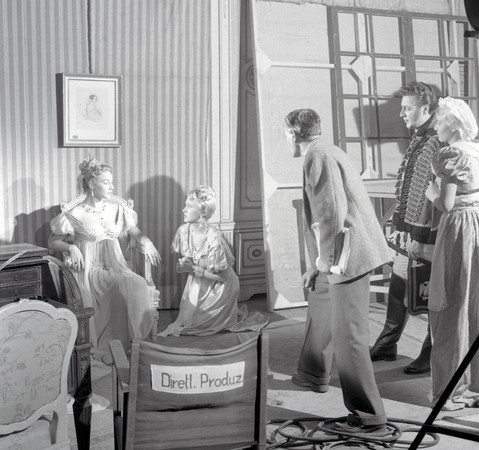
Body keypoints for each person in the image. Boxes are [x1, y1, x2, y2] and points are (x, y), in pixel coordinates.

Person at [284, 108, 393, 436]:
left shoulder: (318, 156)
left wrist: (323, 261)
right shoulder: (325, 150)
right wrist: (318, 264)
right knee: (321, 303)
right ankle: (313, 375)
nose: (285, 138)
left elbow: (331, 211)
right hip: (341, 252)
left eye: (285, 133)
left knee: (349, 336)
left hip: (348, 255)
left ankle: (370, 417)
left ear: (294, 133)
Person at [426, 97, 479, 410]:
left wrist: (431, 192)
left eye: (440, 121)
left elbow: (446, 204)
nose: (435, 126)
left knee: (453, 301)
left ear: (453, 124)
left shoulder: (451, 154)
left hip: (461, 228)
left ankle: (451, 390)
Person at [49, 156, 161, 358]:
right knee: (121, 285)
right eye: (106, 182)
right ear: (92, 184)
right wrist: (71, 247)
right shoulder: (75, 212)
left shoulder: (117, 208)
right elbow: (52, 242)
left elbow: (135, 232)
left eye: (112, 182)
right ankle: (112, 344)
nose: (112, 187)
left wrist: (148, 242)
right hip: (88, 271)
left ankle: (135, 343)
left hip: (116, 266)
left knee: (136, 283)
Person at [369, 81, 442, 375]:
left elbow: (432, 193)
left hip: (430, 233)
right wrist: (401, 226)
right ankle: (387, 344)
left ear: (426, 108)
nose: (402, 114)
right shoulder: (419, 139)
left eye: (407, 108)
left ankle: (430, 353)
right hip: (409, 229)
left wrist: (418, 231)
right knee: (398, 284)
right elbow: (409, 187)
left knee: (434, 295)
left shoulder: (440, 141)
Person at [158, 186, 269, 337]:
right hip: (200, 282)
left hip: (221, 286)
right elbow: (194, 260)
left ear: (203, 211)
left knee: (201, 326)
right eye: (185, 205)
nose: (184, 209)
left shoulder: (213, 238)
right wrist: (184, 266)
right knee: (189, 321)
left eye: (189, 206)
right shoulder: (184, 231)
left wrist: (193, 269)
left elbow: (222, 276)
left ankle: (221, 312)